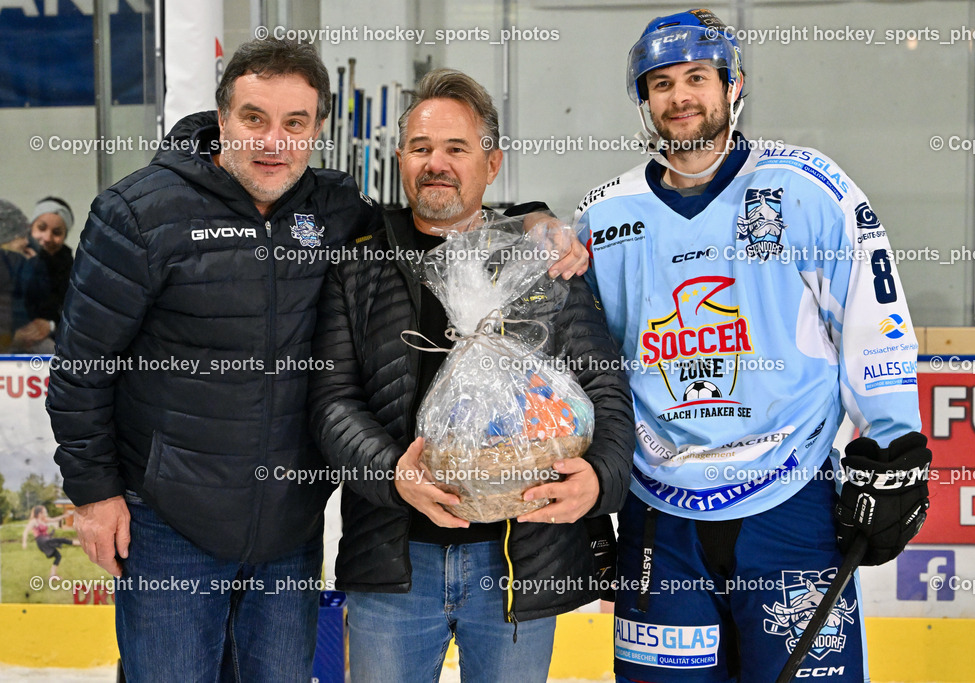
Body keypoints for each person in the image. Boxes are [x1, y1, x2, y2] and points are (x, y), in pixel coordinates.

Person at [573, 10, 931, 682]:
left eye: (697, 78)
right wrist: (589, 492)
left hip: (790, 503)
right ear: (644, 99)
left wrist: (893, 446)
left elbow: (871, 318)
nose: (680, 96)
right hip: (659, 514)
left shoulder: (805, 188)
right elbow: (583, 366)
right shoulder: (604, 217)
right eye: (662, 83)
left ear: (732, 85)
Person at [45, 38, 382, 681]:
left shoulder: (338, 210)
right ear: (223, 117)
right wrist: (93, 495)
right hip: (168, 521)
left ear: (318, 130)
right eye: (254, 118)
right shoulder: (138, 213)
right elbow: (81, 368)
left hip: (288, 528)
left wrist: (535, 223)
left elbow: (433, 231)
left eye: (295, 123)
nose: (273, 142)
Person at [308, 68, 634, 683]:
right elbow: (332, 401)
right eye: (421, 148)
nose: (437, 164)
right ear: (400, 160)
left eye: (456, 148)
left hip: (519, 563)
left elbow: (604, 386)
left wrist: (600, 480)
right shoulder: (358, 265)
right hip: (392, 561)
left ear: (493, 163)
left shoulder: (540, 260)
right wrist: (393, 474)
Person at [0, 199, 48, 352]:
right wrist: (12, 339)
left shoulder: (20, 264)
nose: (26, 241)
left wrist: (46, 325)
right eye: (20, 235)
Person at [28, 196, 75, 328]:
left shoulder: (71, 272)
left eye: (57, 232)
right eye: (41, 228)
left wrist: (50, 326)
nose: (47, 238)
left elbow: (73, 316)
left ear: (64, 236)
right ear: (30, 228)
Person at [22, 505, 80, 579]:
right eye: (45, 512)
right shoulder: (34, 521)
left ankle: (52, 575)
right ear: (40, 513)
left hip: (46, 540)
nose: (46, 513)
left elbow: (55, 519)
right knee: (62, 540)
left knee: (58, 556)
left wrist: (64, 516)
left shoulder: (44, 520)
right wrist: (24, 542)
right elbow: (26, 531)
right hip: (42, 541)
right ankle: (79, 543)